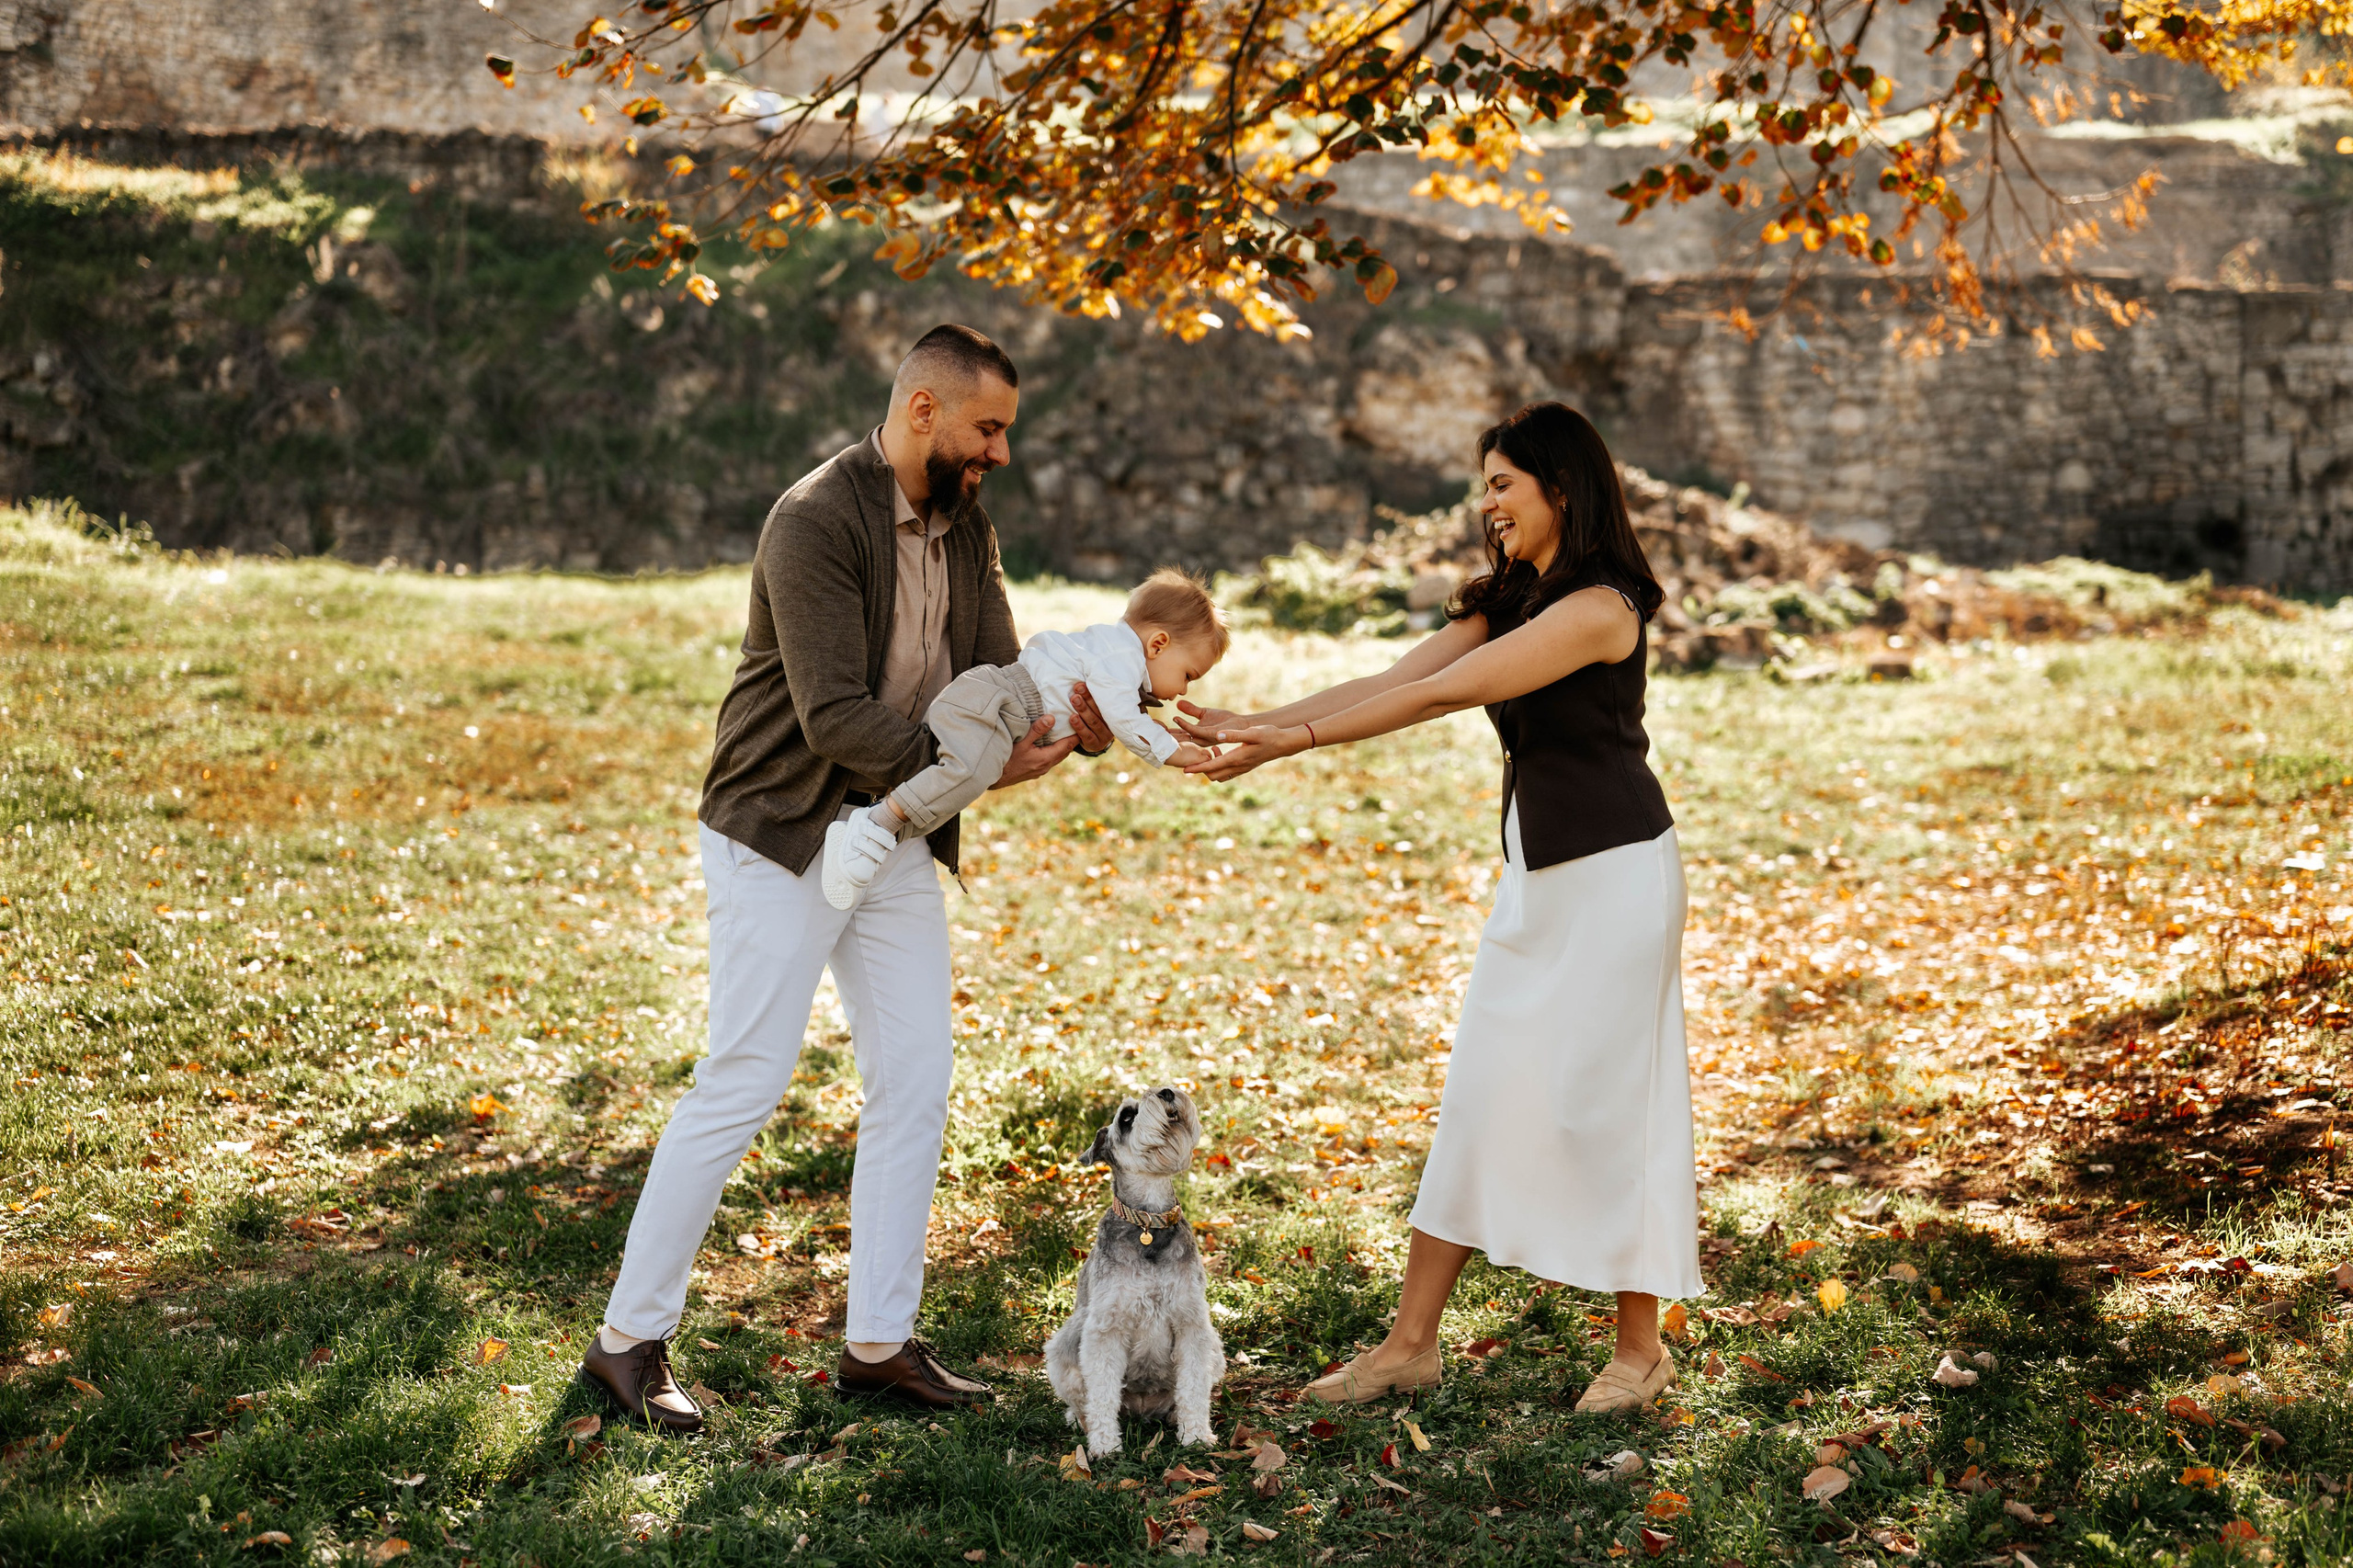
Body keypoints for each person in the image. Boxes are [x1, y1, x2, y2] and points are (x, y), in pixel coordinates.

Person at [578, 324, 1115, 1430]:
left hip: (895, 834)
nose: (999, 452)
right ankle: (626, 1341)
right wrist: (968, 765)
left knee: (916, 1075)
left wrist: (1079, 716)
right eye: (988, 427)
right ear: (923, 408)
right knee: (743, 1079)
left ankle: (877, 1341)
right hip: (783, 831)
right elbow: (832, 716)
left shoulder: (969, 532)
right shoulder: (816, 518)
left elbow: (1002, 683)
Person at [1176, 402, 1702, 1413]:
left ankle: (1641, 1352)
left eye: (1504, 482)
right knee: (1482, 1090)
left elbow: (1441, 697)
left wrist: (1296, 744)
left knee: (1615, 1105)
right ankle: (1409, 1344)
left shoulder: (1599, 607)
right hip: (1539, 880)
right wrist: (1252, 723)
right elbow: (1396, 674)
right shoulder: (1511, 597)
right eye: (1485, 483)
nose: (1486, 502)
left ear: (1562, 486)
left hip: (1618, 880)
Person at [822, 568, 1231, 909]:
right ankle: (879, 822)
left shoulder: (1119, 658)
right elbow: (1124, 718)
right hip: (995, 703)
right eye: (1189, 675)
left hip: (999, 708)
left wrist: (1159, 734)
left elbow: (1121, 718)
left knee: (966, 780)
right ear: (1158, 644)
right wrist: (1173, 753)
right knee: (969, 772)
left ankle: (884, 832)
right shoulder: (1119, 657)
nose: (1184, 691)